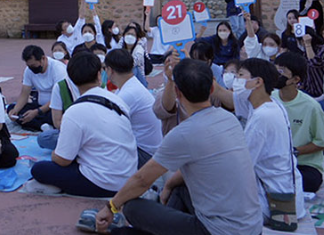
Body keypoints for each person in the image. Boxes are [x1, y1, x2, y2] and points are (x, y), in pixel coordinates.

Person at [95, 59, 262, 235]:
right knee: (179, 187)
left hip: (215, 231)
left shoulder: (184, 134)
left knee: (132, 208)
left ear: (177, 92)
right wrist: (168, 187)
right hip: (252, 227)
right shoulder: (229, 119)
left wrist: (111, 206)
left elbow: (142, 180)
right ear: (212, 89)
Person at [29, 52, 137, 197]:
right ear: (99, 74)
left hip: (103, 184)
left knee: (39, 168)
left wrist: (55, 155)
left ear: (72, 79)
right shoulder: (117, 100)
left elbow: (63, 160)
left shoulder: (74, 112)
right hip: (129, 176)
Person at [233, 58, 306, 224]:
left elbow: (243, 164)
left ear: (258, 82)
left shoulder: (263, 116)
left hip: (273, 201)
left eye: (240, 75)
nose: (236, 80)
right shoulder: (272, 104)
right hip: (285, 190)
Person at [275, 52, 324, 193]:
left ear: (296, 79)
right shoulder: (269, 98)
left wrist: (293, 152)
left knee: (306, 182)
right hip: (276, 161)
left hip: (304, 164)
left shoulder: (311, 106)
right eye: (276, 69)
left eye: (282, 71)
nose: (277, 74)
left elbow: (321, 142)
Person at [105, 49, 163, 167]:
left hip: (145, 154)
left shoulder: (128, 94)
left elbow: (108, 127)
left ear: (110, 70)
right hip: (149, 149)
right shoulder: (131, 85)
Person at [8, 45, 65, 131]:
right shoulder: (28, 71)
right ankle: (42, 125)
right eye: (29, 66)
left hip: (55, 106)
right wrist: (15, 110)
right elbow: (25, 93)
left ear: (43, 59)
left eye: (34, 65)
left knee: (59, 115)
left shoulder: (58, 69)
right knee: (12, 108)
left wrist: (37, 112)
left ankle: (38, 123)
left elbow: (58, 97)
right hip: (39, 105)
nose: (32, 69)